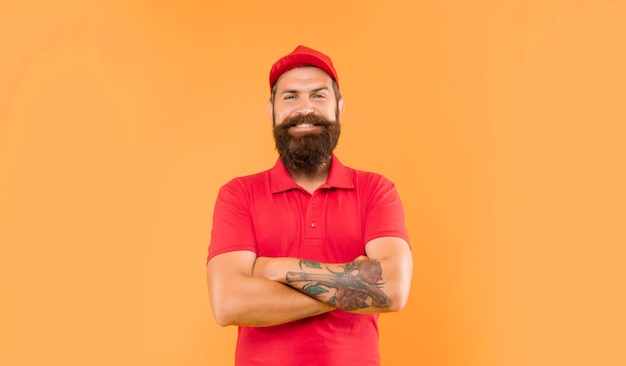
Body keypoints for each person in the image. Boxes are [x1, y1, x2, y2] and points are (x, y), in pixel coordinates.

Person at [206, 45, 413, 366]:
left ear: (339, 108)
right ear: (271, 109)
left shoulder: (375, 190)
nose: (305, 109)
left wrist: (275, 269)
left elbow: (394, 290)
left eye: (318, 96)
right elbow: (228, 303)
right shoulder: (238, 194)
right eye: (290, 97)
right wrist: (357, 285)